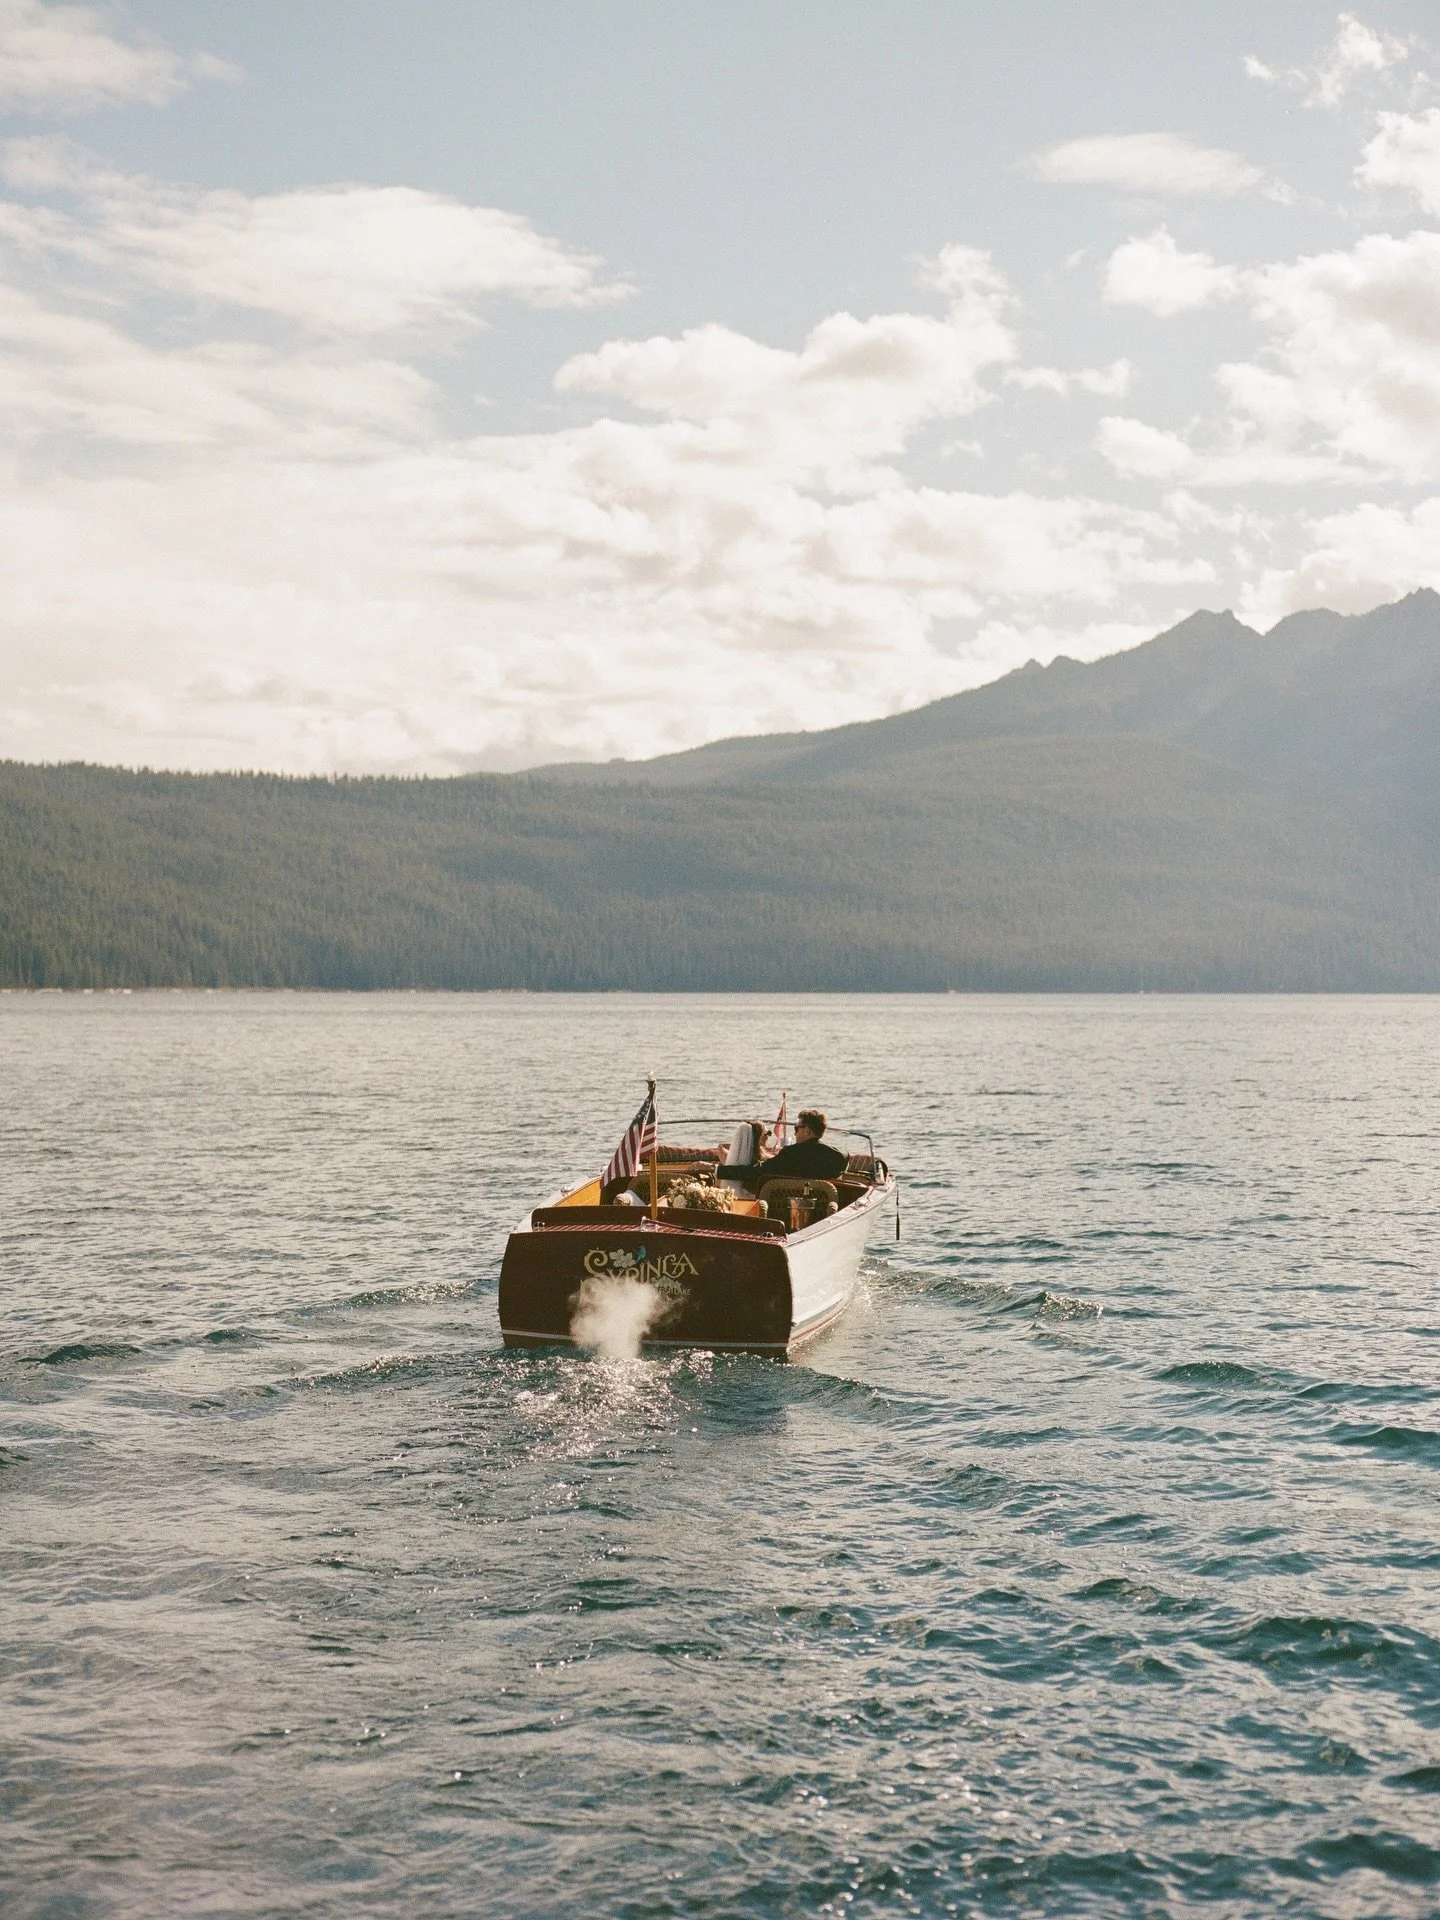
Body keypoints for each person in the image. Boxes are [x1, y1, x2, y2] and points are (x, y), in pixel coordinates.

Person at [745, 1109, 846, 1186]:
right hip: (826, 1204)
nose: (794, 1133)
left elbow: (758, 1171)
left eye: (796, 1128)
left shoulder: (790, 1153)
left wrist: (729, 1170)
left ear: (807, 1131)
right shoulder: (840, 1156)